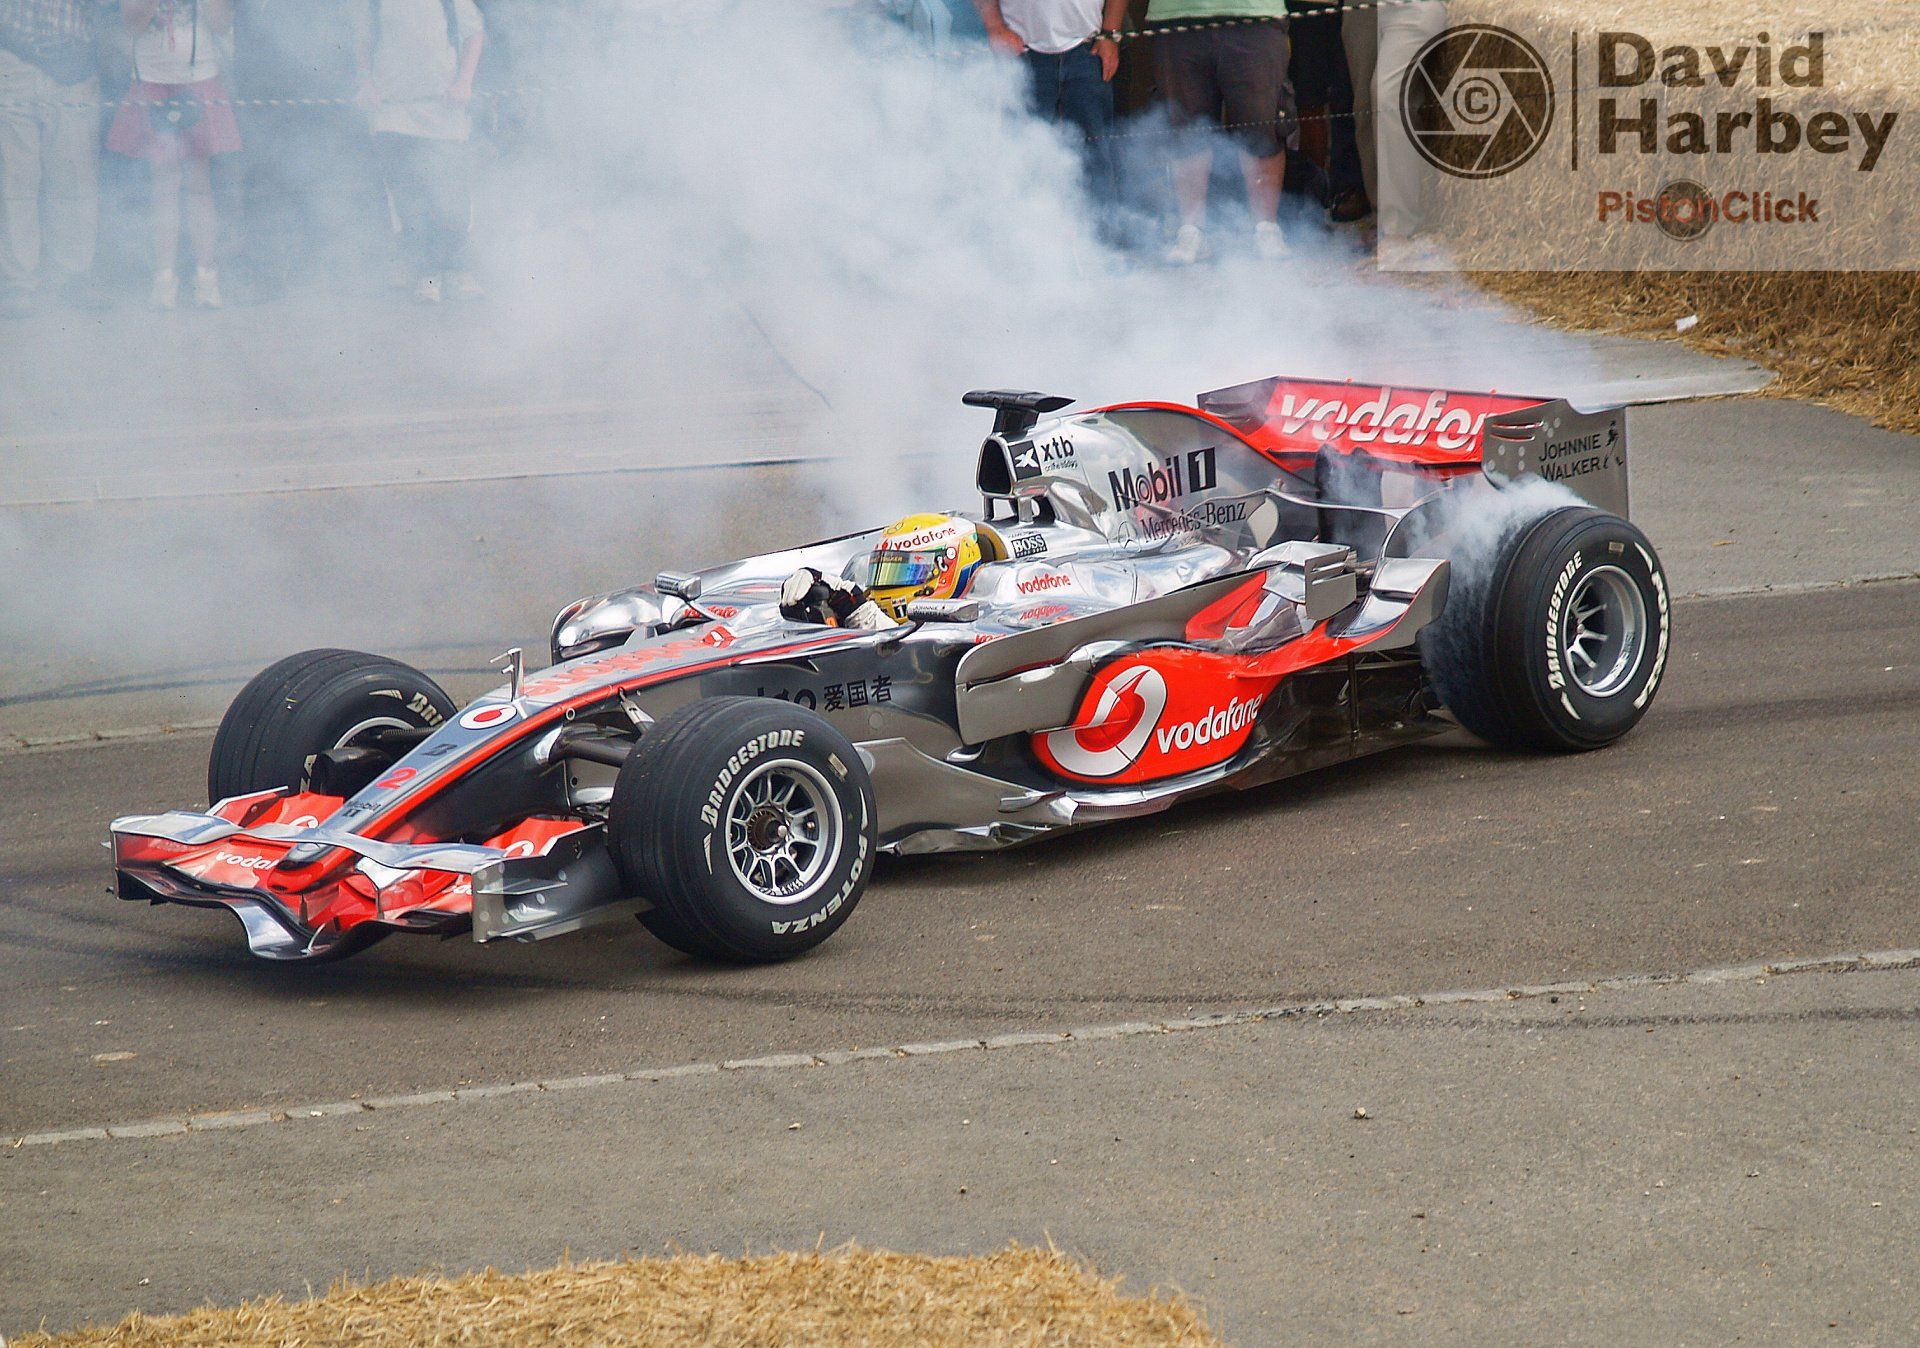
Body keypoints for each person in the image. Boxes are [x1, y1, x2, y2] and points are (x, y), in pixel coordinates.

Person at [106, 0, 244, 309]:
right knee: (164, 185)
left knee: (199, 186)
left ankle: (206, 279)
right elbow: (131, 25)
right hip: (152, 80)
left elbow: (222, 24)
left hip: (200, 79)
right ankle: (164, 280)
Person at [353, 0, 484, 304]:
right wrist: (366, 83)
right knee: (409, 197)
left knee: (452, 194)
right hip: (394, 112)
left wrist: (464, 83)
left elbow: (473, 33)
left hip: (445, 110)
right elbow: (362, 39)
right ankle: (426, 273)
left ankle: (456, 270)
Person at [1145, 0, 1296, 263]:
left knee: (1262, 125)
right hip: (1175, 13)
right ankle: (1191, 231)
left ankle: (1266, 229)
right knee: (1185, 128)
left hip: (1254, 12)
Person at [0, 0, 109, 316]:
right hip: (13, 57)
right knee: (16, 177)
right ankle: (19, 281)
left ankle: (72, 277)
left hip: (75, 64)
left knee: (75, 176)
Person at [972, 0, 1129, 214]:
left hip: (1087, 47)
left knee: (1095, 156)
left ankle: (1104, 230)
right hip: (1022, 50)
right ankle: (1026, 230)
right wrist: (994, 26)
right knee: (1023, 158)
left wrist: (1111, 34)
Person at [1343, 0, 1446, 265]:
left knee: (1389, 97)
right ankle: (1382, 219)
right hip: (1361, 8)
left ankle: (1399, 232)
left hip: (1412, 6)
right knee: (1364, 107)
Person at [780, 514, 989, 629]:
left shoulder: (984, 626)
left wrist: (854, 606)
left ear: (948, 568)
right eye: (886, 571)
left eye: (909, 571)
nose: (889, 585)